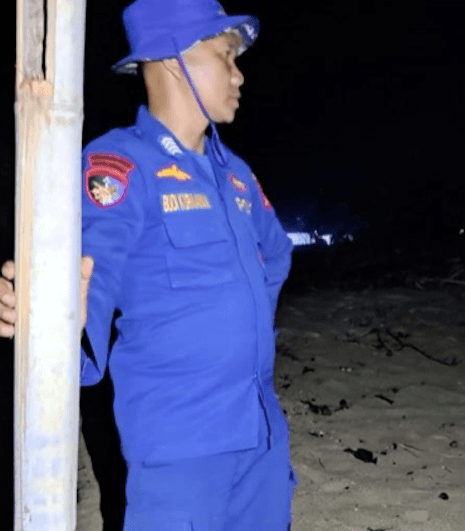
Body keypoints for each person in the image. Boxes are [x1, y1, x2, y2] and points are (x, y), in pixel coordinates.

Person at [2, 0, 295, 529]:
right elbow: (89, 276)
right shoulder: (119, 165)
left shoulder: (236, 174)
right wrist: (42, 313)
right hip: (180, 447)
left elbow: (275, 255)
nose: (238, 73)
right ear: (171, 60)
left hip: (260, 433)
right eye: (225, 55)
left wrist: (234, 326)